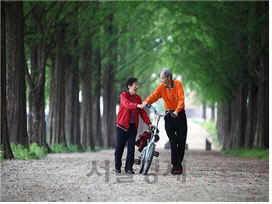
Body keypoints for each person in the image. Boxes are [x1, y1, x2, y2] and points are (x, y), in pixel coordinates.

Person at [139, 68, 187, 175]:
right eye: (160, 78)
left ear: (169, 78)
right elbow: (154, 95)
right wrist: (146, 102)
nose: (161, 80)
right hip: (168, 116)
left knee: (181, 142)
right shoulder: (161, 87)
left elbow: (181, 100)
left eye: (162, 78)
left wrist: (177, 111)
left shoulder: (178, 84)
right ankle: (177, 166)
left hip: (179, 115)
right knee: (173, 142)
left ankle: (176, 164)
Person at [115, 77, 152, 174]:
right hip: (122, 126)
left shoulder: (138, 98)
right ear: (129, 86)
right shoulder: (123, 95)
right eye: (135, 84)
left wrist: (149, 124)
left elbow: (142, 113)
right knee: (119, 147)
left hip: (132, 127)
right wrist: (136, 105)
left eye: (137, 84)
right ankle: (117, 167)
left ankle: (129, 168)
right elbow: (127, 105)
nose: (137, 86)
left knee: (131, 148)